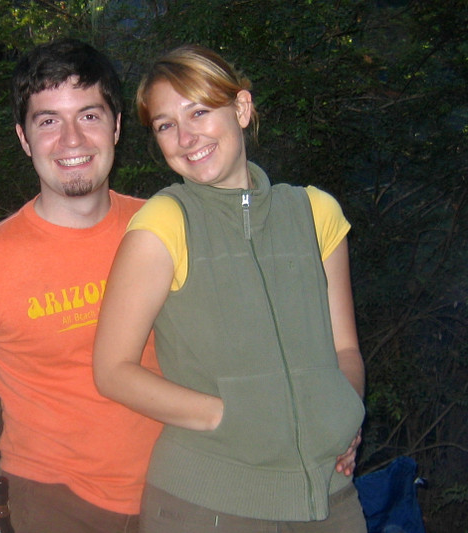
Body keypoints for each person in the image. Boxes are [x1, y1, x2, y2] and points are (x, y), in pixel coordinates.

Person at [93, 44, 367, 532]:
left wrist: (344, 416)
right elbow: (112, 370)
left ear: (241, 108)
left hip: (329, 499)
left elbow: (344, 348)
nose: (185, 135)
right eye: (165, 125)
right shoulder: (164, 223)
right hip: (208, 504)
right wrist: (222, 415)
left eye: (199, 111)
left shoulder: (314, 213)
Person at [0, 39, 163, 533]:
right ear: (24, 139)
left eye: (88, 116)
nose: (71, 140)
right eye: (48, 121)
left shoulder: (163, 228)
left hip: (179, 491)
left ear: (116, 126)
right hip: (50, 502)